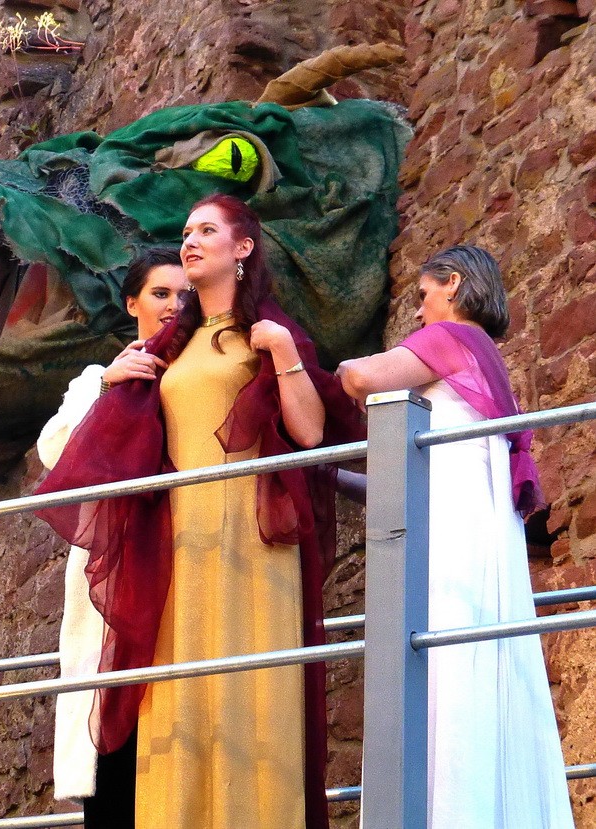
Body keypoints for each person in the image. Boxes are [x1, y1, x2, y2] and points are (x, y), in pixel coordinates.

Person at [37, 194, 361, 828]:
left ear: (242, 249)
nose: (190, 240)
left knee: (249, 692)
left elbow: (311, 433)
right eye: (186, 230)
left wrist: (285, 354)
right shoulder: (169, 345)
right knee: (173, 694)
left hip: (251, 539)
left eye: (206, 230)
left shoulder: (267, 330)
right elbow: (83, 449)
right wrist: (112, 381)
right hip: (176, 541)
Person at [336, 245, 574, 828]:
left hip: (450, 541)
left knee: (439, 668)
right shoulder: (488, 360)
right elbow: (425, 475)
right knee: (462, 669)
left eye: (424, 296)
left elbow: (362, 377)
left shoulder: (454, 337)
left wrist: (320, 370)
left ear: (455, 284)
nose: (419, 313)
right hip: (467, 530)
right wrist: (328, 475)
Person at [36, 249, 188, 828]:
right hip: (118, 567)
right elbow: (55, 452)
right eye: (160, 293)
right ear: (132, 304)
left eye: (184, 295)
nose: (174, 305)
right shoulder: (95, 379)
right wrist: (108, 385)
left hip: (187, 557)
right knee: (114, 717)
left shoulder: (204, 370)